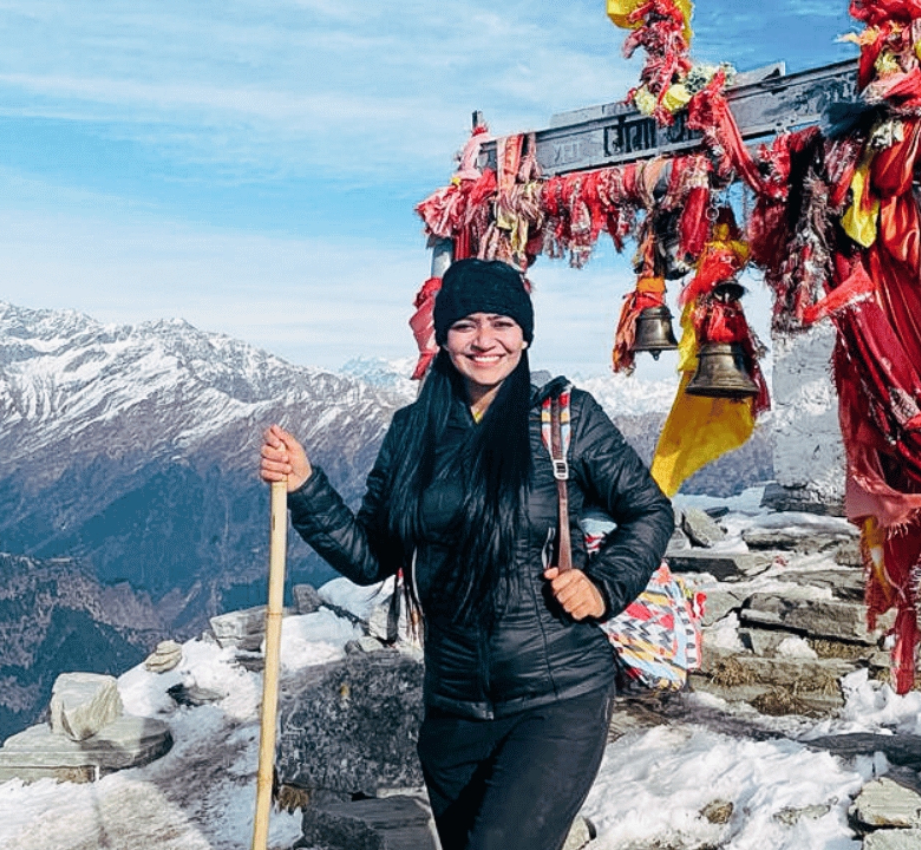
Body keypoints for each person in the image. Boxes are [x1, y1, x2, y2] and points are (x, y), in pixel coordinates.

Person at [260, 258, 674, 850]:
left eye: (502, 323)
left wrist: (603, 586)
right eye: (466, 325)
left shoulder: (564, 419)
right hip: (453, 708)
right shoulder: (412, 431)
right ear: (444, 334)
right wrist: (306, 487)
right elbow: (373, 556)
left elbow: (650, 511)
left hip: (556, 699)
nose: (485, 341)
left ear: (524, 334)